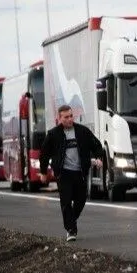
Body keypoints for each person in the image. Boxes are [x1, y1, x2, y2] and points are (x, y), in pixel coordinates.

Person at [39, 104, 104, 242]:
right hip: (64, 174)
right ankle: (71, 230)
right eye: (66, 117)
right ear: (59, 118)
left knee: (81, 200)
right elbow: (44, 154)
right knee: (66, 201)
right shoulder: (53, 134)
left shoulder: (82, 131)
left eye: (71, 116)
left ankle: (71, 221)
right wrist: (43, 172)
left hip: (80, 172)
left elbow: (97, 145)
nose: (69, 119)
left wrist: (99, 157)